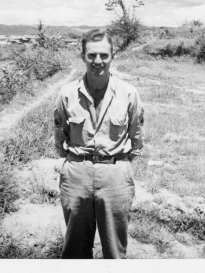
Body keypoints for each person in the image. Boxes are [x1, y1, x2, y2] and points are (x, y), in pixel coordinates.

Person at [53, 29, 145, 259]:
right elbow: (59, 139)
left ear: (112, 56)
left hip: (115, 175)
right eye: (91, 55)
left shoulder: (129, 94)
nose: (98, 61)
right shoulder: (66, 95)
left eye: (104, 55)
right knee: (75, 248)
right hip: (77, 176)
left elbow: (136, 138)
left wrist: (114, 162)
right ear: (83, 56)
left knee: (114, 249)